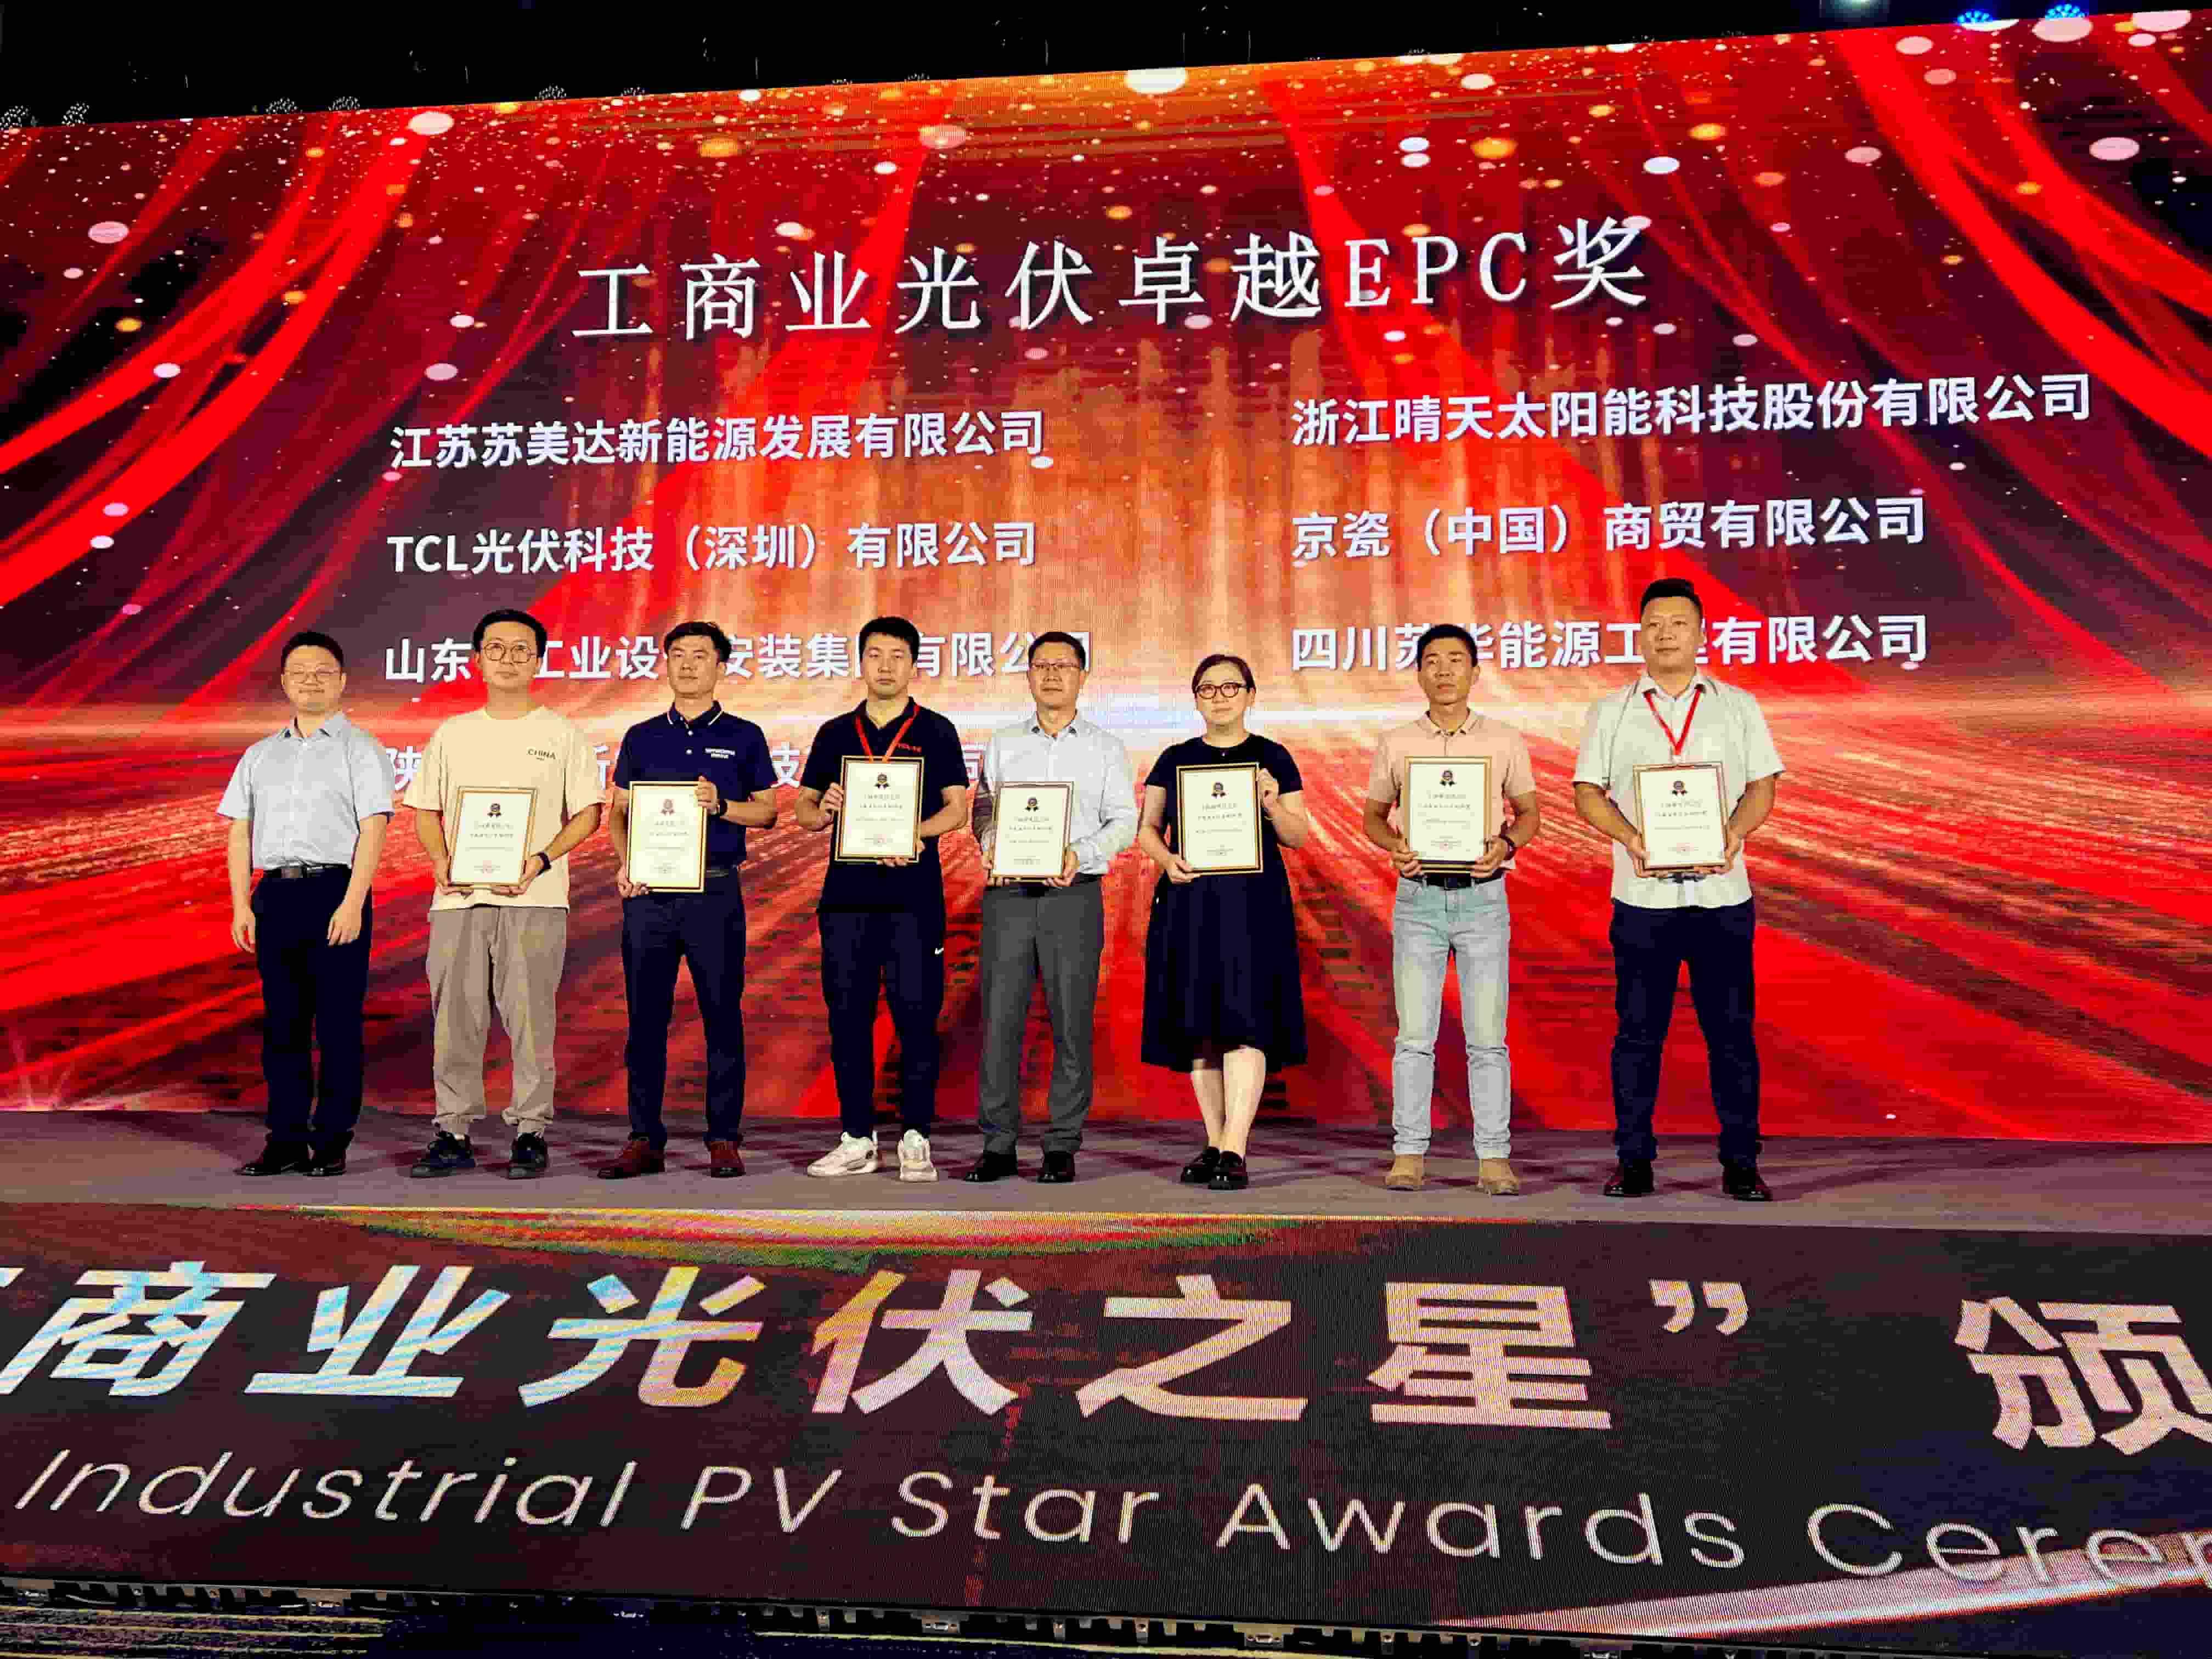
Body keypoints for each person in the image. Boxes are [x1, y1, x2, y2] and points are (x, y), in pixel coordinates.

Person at [1572, 577, 1784, 1201]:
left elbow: (1762, 786)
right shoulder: (1610, 711)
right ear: (1639, 635)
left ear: (1701, 633)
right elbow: (1588, 792)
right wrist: (1632, 838)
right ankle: (1634, 1161)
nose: (1665, 635)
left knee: (1732, 1036)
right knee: (1638, 1036)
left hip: (1722, 898)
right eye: (1654, 624)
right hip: (1644, 901)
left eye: (1678, 623)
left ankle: (1741, 1164)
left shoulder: (1738, 706)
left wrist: (1734, 833)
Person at [402, 609, 603, 1180]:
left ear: (538, 661)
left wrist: (540, 860)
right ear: (477, 660)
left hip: (535, 896)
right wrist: (441, 861)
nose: (508, 658)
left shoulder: (562, 734)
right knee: (454, 1018)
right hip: (458, 898)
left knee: (531, 1019)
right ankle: (453, 1131)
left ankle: (531, 1132)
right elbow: (426, 811)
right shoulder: (453, 733)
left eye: (521, 649)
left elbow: (588, 813)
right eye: (496, 648)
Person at [1361, 624, 1543, 1196]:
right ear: (1418, 673)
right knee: (1414, 1036)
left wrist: (1506, 846)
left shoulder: (1503, 739)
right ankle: (1409, 1153)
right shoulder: (1396, 742)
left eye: (1456, 660)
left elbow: (1530, 814)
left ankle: (1494, 1157)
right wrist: (1394, 846)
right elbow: (1373, 817)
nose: (1444, 671)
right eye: (1433, 661)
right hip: (1418, 899)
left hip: (1482, 899)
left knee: (1487, 1037)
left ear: (1475, 672)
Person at [599, 622, 778, 1182]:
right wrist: (626, 863)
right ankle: (643, 1138)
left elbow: (767, 812)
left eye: (700, 656)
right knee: (644, 1020)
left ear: (720, 667)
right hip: (649, 896)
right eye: (677, 654)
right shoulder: (642, 736)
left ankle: (723, 1137)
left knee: (722, 1016)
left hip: (714, 890)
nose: (687, 665)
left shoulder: (745, 736)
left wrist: (722, 805)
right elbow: (619, 813)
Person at [793, 616, 970, 1182]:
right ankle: (856, 1138)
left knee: (917, 1016)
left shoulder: (936, 730)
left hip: (914, 899)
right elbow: (803, 810)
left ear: (914, 664)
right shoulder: (835, 733)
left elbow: (957, 809)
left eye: (897, 655)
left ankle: (916, 1136)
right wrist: (824, 810)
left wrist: (916, 834)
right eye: (875, 654)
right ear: (861, 662)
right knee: (848, 1017)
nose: (886, 665)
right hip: (847, 899)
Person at [963, 632, 1137, 1185]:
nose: (1053, 675)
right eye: (1042, 665)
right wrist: (992, 843)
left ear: (1083, 677)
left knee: (1071, 1021)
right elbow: (984, 808)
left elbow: (1124, 822)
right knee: (1000, 1021)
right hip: (1009, 896)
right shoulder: (1004, 742)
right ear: (1029, 676)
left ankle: (1062, 1143)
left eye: (1064, 666)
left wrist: (1079, 853)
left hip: (1073, 894)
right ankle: (998, 1143)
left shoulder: (1106, 748)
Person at [217, 631, 393, 1177]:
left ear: (342, 681)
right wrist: (241, 905)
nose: (310, 681)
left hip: (335, 892)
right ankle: (286, 1140)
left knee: (337, 1024)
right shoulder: (260, 755)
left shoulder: (361, 748)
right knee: (284, 1025)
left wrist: (353, 902)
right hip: (275, 895)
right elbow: (239, 832)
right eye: (300, 672)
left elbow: (374, 828)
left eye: (322, 672)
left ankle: (332, 1139)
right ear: (284, 682)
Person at [1136, 653, 1311, 1192]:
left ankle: (1236, 1146)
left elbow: (1297, 835)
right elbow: (1148, 829)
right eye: (1207, 689)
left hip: (1253, 907)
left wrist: (1271, 804)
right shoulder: (1175, 758)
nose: (1219, 697)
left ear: (1250, 695)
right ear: (1195, 699)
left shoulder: (1272, 756)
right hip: (1190, 902)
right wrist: (1167, 861)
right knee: (1201, 1029)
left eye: (1230, 687)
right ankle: (1215, 1143)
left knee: (1247, 1020)